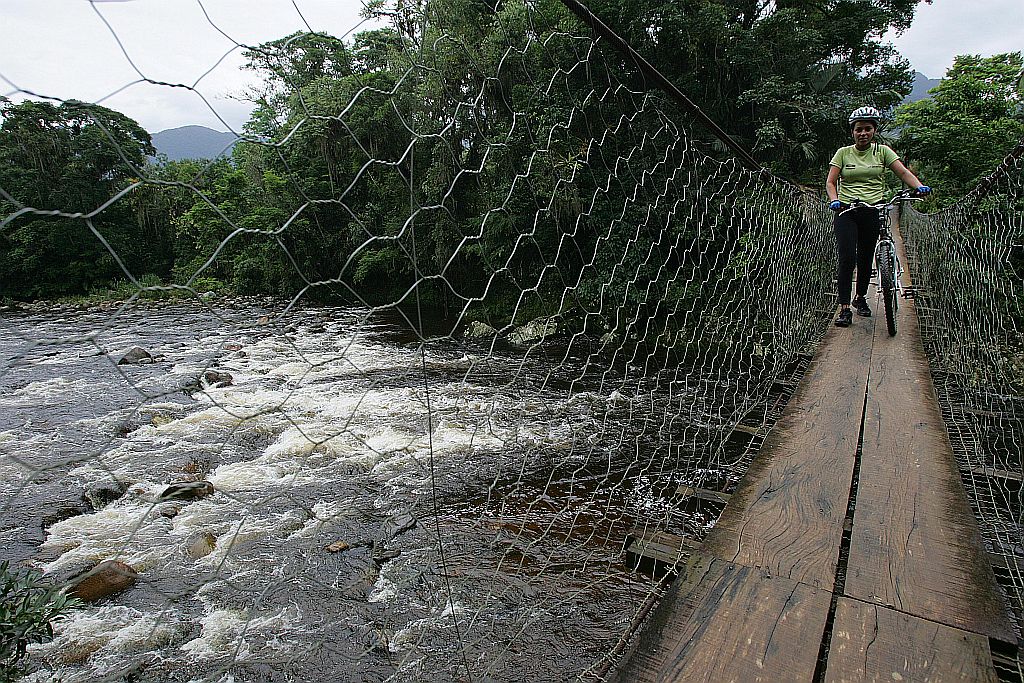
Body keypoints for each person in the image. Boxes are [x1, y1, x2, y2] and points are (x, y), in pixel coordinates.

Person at [825, 106, 930, 327]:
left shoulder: (883, 152)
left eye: (867, 129)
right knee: (847, 258)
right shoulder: (843, 153)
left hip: (873, 209)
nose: (863, 133)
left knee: (865, 257)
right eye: (859, 129)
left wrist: (918, 186)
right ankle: (844, 308)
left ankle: (860, 298)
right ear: (852, 132)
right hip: (846, 210)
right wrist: (834, 199)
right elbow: (831, 182)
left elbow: (902, 172)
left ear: (874, 131)